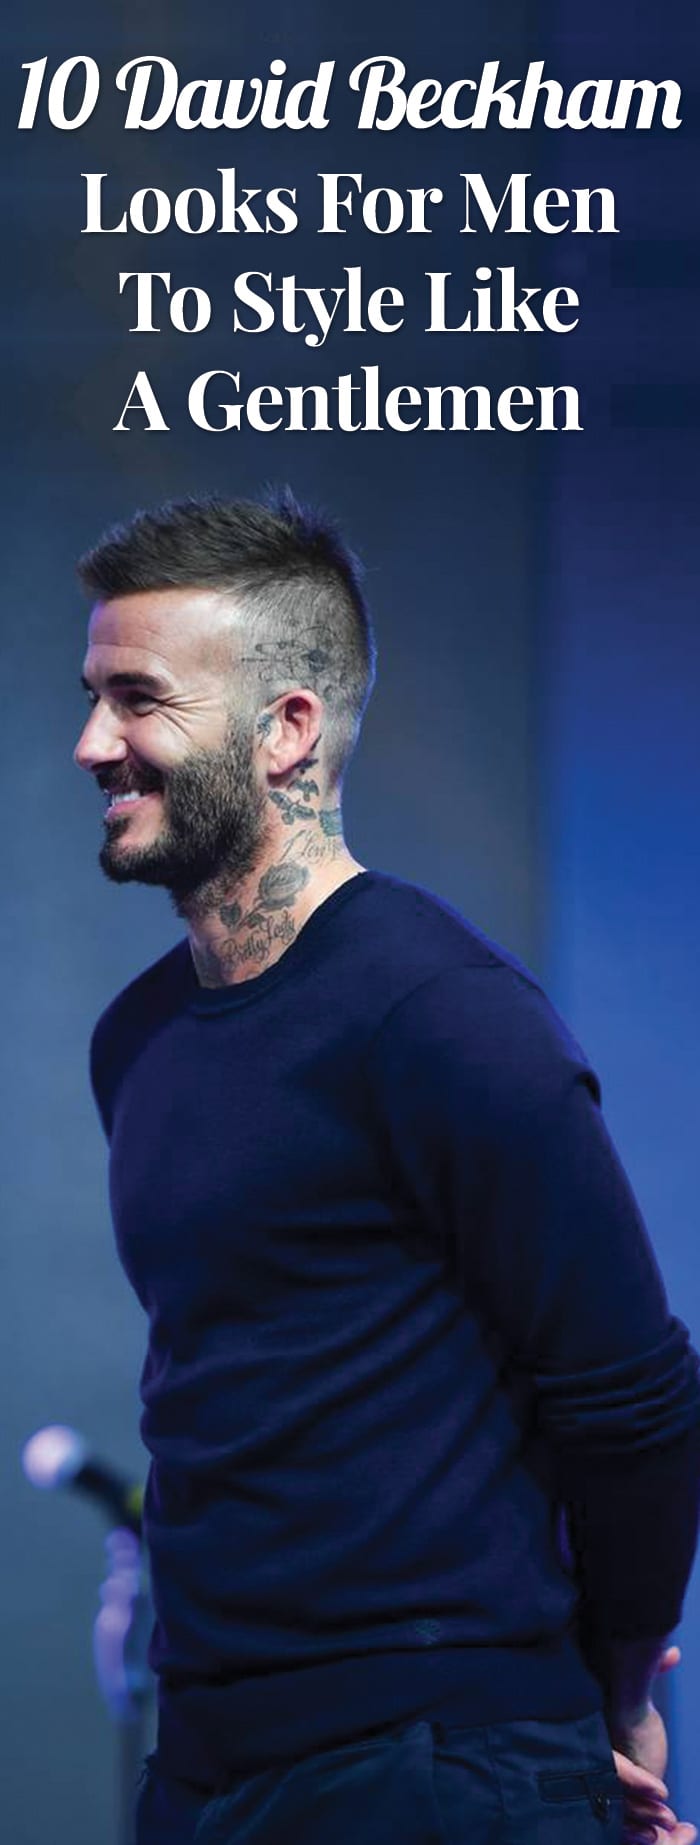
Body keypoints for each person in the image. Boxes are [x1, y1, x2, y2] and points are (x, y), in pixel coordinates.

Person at [75, 490, 700, 1845]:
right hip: (210, 1763)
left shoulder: (444, 1016)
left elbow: (632, 1396)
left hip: (445, 1762)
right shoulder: (138, 1040)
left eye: (138, 700)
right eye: (93, 698)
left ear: (286, 728)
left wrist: (616, 1694)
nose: (93, 744)